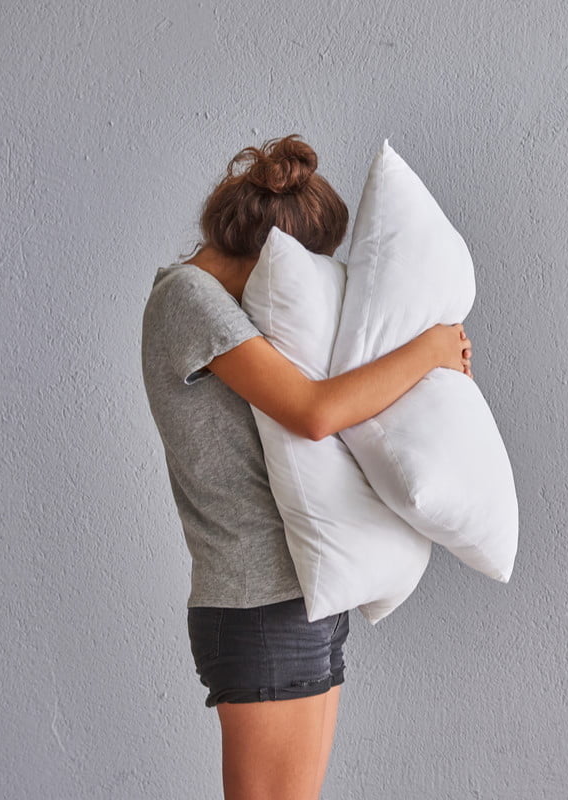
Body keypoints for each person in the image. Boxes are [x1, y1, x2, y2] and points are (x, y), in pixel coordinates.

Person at [140, 134, 472, 800]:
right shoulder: (188, 299)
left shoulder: (231, 310)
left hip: (302, 598)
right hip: (256, 608)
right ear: (271, 255)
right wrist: (431, 350)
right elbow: (313, 413)